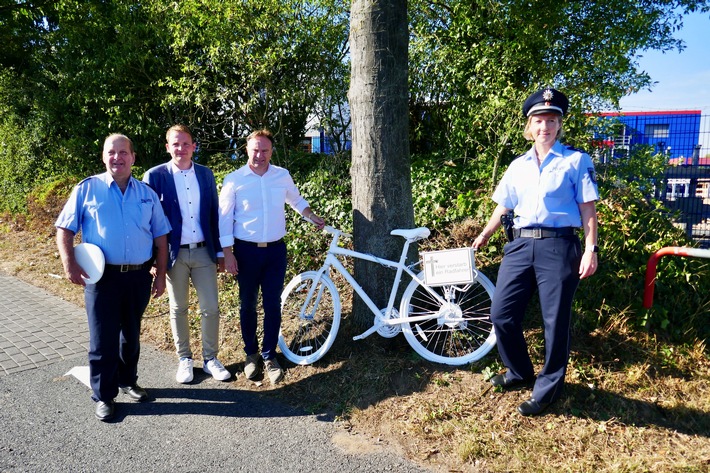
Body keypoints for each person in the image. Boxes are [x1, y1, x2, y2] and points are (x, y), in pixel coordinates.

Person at [472, 88, 599, 416]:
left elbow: (588, 210)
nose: (545, 125)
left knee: (555, 320)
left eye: (552, 119)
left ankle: (547, 389)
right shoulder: (518, 165)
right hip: (519, 245)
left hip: (559, 246)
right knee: (501, 314)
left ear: (559, 125)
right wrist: (486, 233)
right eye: (539, 120)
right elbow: (505, 205)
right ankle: (519, 371)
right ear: (529, 125)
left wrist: (590, 250)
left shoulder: (575, 160)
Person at [56, 133, 171, 421]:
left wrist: (160, 274)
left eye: (123, 152)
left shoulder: (146, 194)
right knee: (102, 339)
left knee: (130, 335)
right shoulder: (87, 189)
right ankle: (104, 395)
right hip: (101, 277)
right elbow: (65, 229)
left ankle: (128, 380)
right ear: (104, 156)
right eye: (111, 152)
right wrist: (69, 264)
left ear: (133, 157)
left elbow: (161, 236)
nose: (117, 157)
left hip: (138, 276)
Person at [218, 129, 325, 384]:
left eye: (265, 150)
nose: (260, 155)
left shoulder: (281, 176)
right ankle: (251, 355)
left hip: (276, 250)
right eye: (255, 149)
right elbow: (223, 219)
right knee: (247, 305)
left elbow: (296, 201)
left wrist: (311, 216)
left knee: (272, 304)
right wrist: (228, 254)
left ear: (271, 151)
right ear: (247, 150)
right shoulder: (234, 180)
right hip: (245, 251)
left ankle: (269, 354)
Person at [143, 125, 231, 384]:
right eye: (175, 144)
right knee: (178, 307)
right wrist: (153, 260)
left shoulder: (205, 174)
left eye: (186, 144)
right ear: (167, 146)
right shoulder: (155, 176)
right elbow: (148, 221)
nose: (181, 149)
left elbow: (214, 213)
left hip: (204, 252)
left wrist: (220, 252)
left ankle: (210, 358)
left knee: (211, 308)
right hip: (173, 254)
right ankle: (184, 359)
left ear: (194, 147)